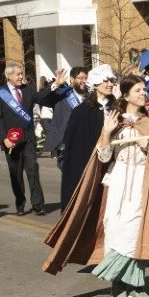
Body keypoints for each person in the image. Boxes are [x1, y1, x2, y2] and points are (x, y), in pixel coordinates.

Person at [42, 74, 149, 297]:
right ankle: (119, 284)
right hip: (118, 182)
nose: (143, 94)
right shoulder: (115, 120)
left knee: (136, 230)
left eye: (144, 90)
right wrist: (105, 132)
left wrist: (148, 148)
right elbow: (103, 157)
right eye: (138, 91)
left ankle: (136, 285)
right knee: (116, 230)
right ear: (125, 95)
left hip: (142, 183)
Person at [0, 61, 46, 216]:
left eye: (22, 74)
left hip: (28, 138)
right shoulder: (0, 93)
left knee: (32, 170)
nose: (21, 77)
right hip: (11, 140)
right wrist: (4, 138)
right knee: (16, 174)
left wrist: (55, 86)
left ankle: (37, 203)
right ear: (9, 76)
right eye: (18, 74)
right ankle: (20, 203)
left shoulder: (28, 89)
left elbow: (42, 98)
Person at [58, 64, 116, 211]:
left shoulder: (117, 107)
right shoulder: (81, 112)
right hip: (89, 164)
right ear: (95, 84)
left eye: (111, 80)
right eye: (106, 81)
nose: (110, 84)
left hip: (114, 165)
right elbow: (74, 144)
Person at [37, 66, 89, 163]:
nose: (84, 81)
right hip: (65, 144)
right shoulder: (62, 95)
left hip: (86, 142)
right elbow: (41, 99)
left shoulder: (91, 96)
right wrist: (56, 84)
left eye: (86, 78)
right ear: (72, 79)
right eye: (81, 78)